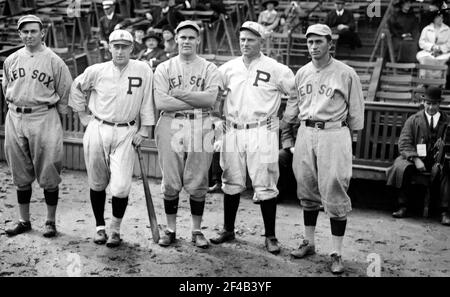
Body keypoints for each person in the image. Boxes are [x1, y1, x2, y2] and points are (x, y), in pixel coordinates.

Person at [281, 24, 364, 274]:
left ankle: (336, 251)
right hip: (306, 131)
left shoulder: (346, 73)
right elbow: (293, 106)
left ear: (330, 44)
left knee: (335, 188)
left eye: (319, 42)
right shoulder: (302, 72)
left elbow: (356, 112)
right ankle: (309, 241)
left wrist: (349, 139)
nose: (314, 46)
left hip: (334, 131)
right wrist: (287, 131)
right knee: (306, 187)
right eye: (310, 42)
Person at [210, 21, 296, 254]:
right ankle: (228, 229)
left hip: (262, 129)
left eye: (250, 39)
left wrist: (286, 118)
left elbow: (295, 94)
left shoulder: (276, 68)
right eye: (242, 40)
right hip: (233, 128)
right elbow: (214, 96)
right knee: (230, 180)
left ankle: (270, 236)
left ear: (261, 41)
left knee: (265, 182)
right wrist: (218, 120)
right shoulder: (227, 68)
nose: (245, 44)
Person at [68, 29, 156, 247]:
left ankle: (115, 229)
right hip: (98, 128)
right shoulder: (96, 70)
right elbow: (76, 88)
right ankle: (100, 227)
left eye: (124, 46)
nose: (120, 51)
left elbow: (146, 101)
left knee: (120, 187)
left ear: (131, 48)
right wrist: (82, 116)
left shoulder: (143, 69)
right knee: (97, 182)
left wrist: (144, 130)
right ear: (109, 47)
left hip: (126, 131)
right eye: (115, 46)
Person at [2, 15, 73, 237]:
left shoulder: (54, 61)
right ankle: (24, 220)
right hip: (15, 116)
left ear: (43, 33)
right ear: (19, 34)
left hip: (44, 116)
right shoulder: (11, 59)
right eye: (25, 31)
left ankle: (50, 222)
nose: (29, 35)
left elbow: (66, 94)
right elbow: (7, 89)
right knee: (19, 173)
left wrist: (56, 120)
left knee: (49, 171)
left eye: (33, 31)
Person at [153, 20, 221, 248]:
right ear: (176, 39)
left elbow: (210, 99)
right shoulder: (164, 67)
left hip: (201, 123)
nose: (187, 41)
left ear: (198, 40)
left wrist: (180, 94)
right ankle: (171, 230)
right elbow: (161, 101)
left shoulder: (209, 68)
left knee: (198, 179)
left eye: (191, 37)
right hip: (170, 123)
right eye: (183, 37)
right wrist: (195, 99)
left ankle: (196, 230)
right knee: (171, 180)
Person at [387, 86, 450, 226]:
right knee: (403, 167)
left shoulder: (447, 121)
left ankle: (445, 212)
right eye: (428, 103)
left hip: (438, 160)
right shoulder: (413, 120)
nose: (431, 107)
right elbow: (404, 143)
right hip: (416, 158)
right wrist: (415, 159)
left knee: (447, 169)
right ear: (424, 103)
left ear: (440, 104)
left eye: (434, 104)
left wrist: (442, 157)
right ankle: (402, 206)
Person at [416, 10, 450, 78]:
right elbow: (421, 43)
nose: (441, 19)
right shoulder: (426, 29)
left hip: (443, 52)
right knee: (424, 59)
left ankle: (438, 82)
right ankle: (423, 80)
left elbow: (449, 43)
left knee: (440, 59)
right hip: (428, 52)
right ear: (433, 19)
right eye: (438, 17)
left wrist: (440, 49)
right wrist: (431, 47)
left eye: (442, 17)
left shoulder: (448, 29)